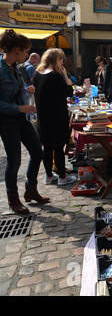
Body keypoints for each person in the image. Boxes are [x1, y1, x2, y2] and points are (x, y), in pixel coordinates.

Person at [0, 29, 49, 214]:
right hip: (6, 120)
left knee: (37, 152)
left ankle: (31, 189)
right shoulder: (1, 68)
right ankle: (13, 200)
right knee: (14, 161)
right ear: (16, 51)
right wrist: (19, 108)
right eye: (26, 51)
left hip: (21, 118)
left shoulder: (17, 68)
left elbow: (16, 91)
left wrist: (26, 91)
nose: (28, 55)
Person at [32, 48, 77, 186]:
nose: (63, 61)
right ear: (55, 60)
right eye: (61, 59)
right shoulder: (55, 75)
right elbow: (69, 92)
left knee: (47, 148)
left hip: (43, 117)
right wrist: (65, 76)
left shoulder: (38, 73)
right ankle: (62, 177)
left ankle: (49, 176)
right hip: (57, 117)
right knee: (58, 148)